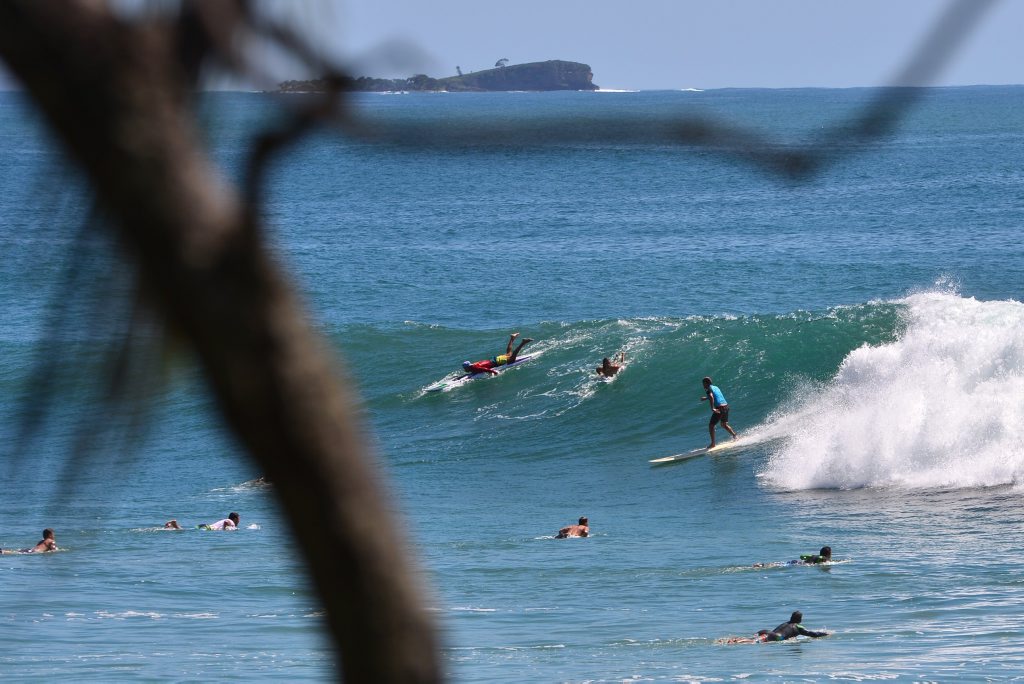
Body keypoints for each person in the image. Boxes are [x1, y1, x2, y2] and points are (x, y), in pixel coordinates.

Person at [722, 611, 829, 644]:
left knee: (753, 639)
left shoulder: (786, 623)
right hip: (776, 637)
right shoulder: (798, 626)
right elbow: (812, 634)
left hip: (766, 632)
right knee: (753, 642)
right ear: (800, 619)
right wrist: (826, 633)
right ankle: (736, 642)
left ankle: (736, 639)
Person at [462, 332, 534, 375]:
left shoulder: (475, 367)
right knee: (509, 354)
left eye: (465, 368)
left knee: (512, 358)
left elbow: (485, 369)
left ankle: (523, 342)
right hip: (494, 359)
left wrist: (494, 372)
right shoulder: (474, 365)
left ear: (468, 367)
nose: (465, 370)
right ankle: (512, 338)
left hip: (497, 362)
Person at [700, 376, 738, 448]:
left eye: (703, 383)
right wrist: (706, 398)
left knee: (711, 426)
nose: (703, 385)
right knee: (724, 424)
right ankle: (735, 435)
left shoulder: (708, 388)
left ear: (706, 383)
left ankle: (713, 444)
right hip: (726, 406)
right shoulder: (716, 387)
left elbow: (711, 396)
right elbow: (715, 396)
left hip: (720, 408)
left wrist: (712, 408)